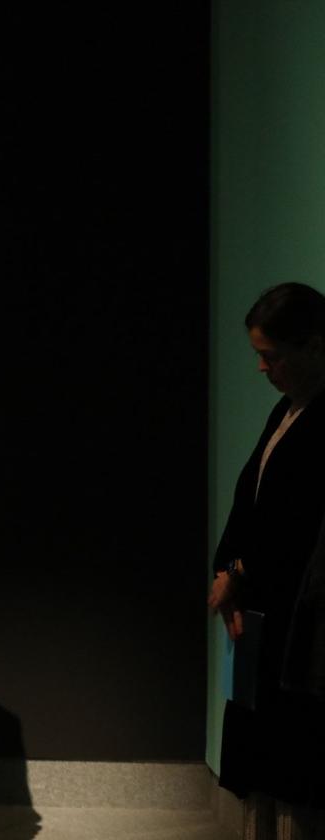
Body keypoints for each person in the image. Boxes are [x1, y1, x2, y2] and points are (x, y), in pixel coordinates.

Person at [208, 282, 325, 838]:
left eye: (271, 356)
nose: (262, 368)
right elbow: (249, 501)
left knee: (298, 775)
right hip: (264, 622)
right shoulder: (288, 408)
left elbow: (298, 525)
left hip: (302, 629)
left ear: (314, 345)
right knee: (266, 775)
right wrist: (228, 568)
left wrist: (238, 574)